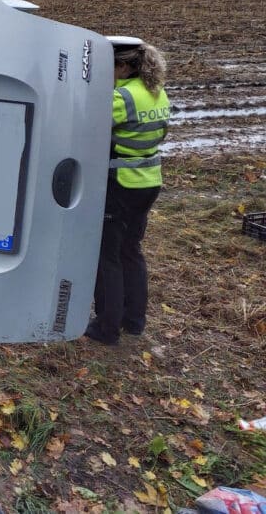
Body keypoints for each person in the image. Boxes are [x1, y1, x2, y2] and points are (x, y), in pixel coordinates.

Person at [85, 36, 170, 345]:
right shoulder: (156, 93)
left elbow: (89, 125)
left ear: (122, 65)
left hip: (121, 184)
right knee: (131, 250)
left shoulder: (121, 98)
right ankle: (134, 321)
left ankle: (106, 328)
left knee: (108, 255)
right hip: (149, 182)